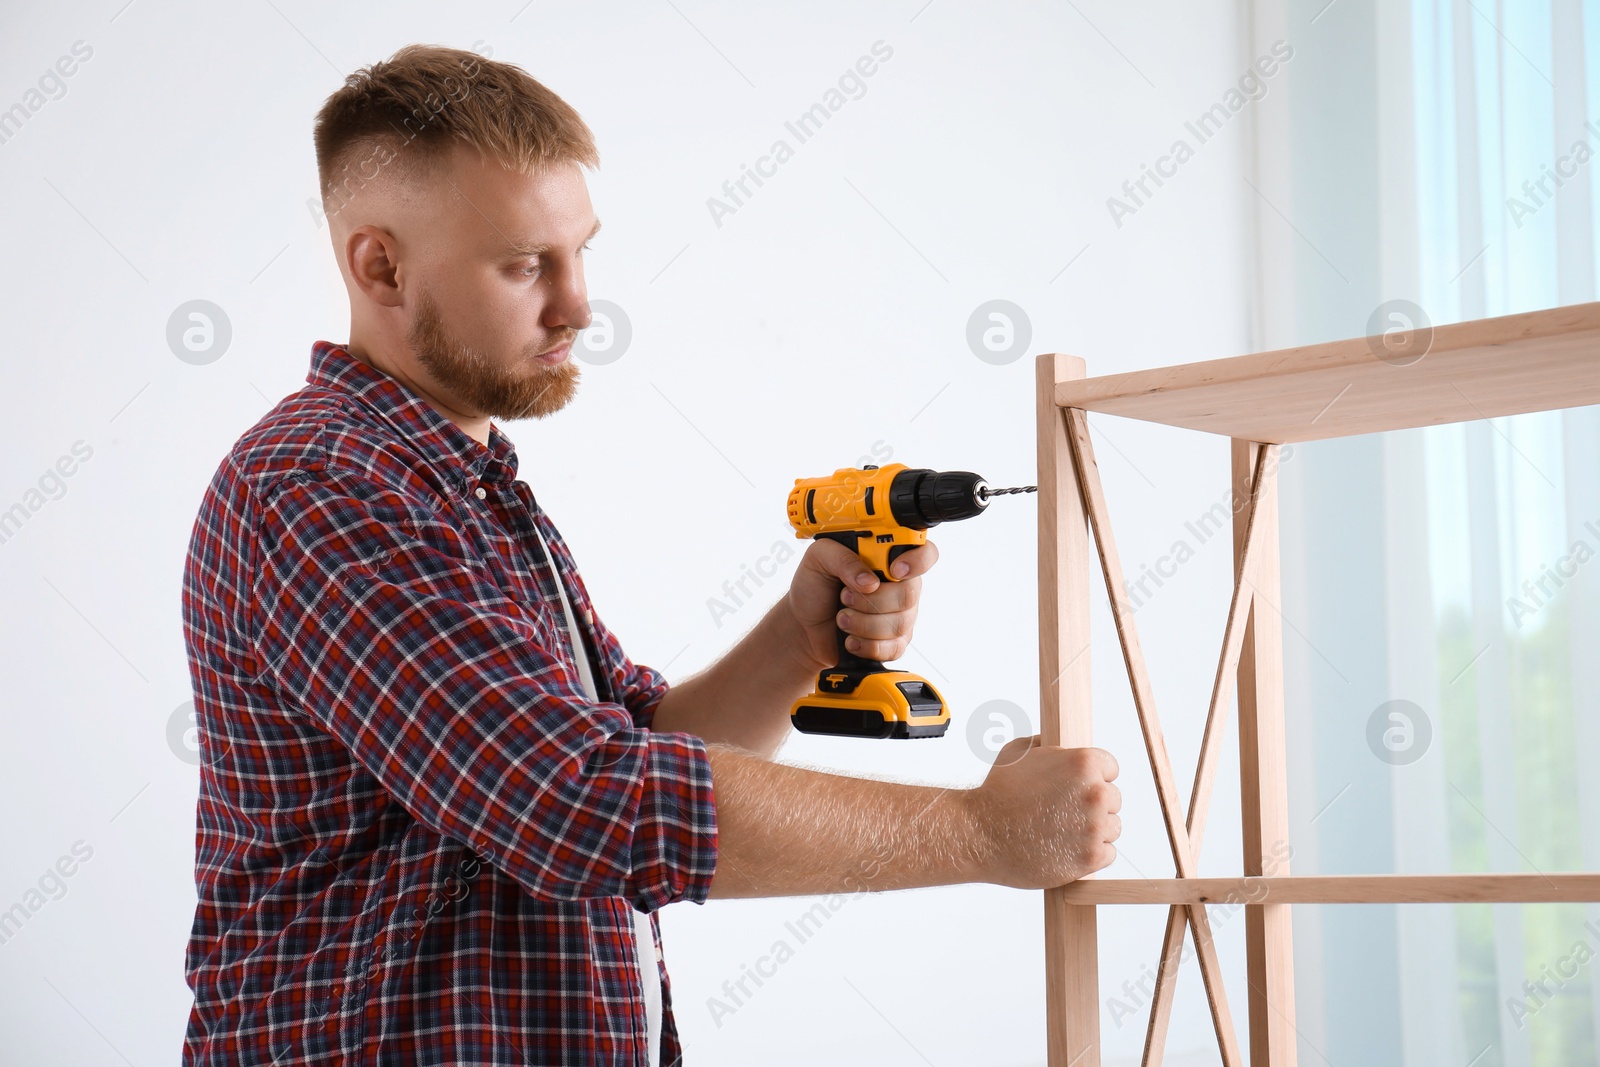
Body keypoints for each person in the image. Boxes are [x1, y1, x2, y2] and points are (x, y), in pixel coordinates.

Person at [179, 42, 1121, 1067]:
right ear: (381, 265)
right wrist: (984, 834)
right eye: (522, 263)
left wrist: (795, 642)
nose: (578, 304)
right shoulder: (321, 487)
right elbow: (575, 800)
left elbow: (632, 740)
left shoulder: (472, 487)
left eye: (580, 251)